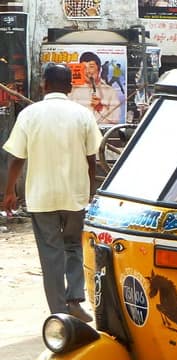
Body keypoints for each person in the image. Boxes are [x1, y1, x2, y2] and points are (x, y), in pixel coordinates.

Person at [2, 63, 102, 322]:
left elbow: (16, 158)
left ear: (43, 84)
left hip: (41, 195)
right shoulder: (82, 115)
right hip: (74, 195)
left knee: (50, 253)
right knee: (73, 247)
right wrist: (90, 189)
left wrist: (9, 191)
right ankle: (75, 300)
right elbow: (92, 157)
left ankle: (58, 311)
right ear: (70, 86)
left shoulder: (30, 114)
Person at [68, 51, 122, 125]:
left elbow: (116, 120)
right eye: (84, 67)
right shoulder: (72, 91)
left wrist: (100, 107)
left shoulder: (110, 91)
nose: (88, 71)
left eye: (91, 67)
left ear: (99, 69)